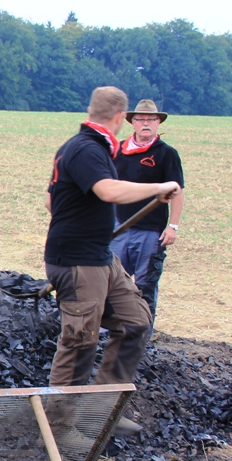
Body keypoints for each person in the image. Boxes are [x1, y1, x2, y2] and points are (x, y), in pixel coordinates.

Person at [43, 87, 181, 389]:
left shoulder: (94, 149)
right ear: (121, 117)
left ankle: (105, 404)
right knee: (80, 344)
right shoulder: (85, 149)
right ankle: (62, 428)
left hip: (101, 256)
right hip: (79, 262)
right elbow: (108, 191)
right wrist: (158, 188)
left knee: (136, 321)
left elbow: (50, 203)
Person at [109, 99, 185, 322]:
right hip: (118, 228)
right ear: (132, 122)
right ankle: (109, 334)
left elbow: (177, 191)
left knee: (144, 286)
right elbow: (108, 188)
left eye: (151, 119)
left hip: (150, 231)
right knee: (112, 283)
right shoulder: (118, 151)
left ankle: (142, 336)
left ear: (158, 123)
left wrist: (173, 226)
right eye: (140, 119)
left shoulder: (166, 154)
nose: (146, 123)